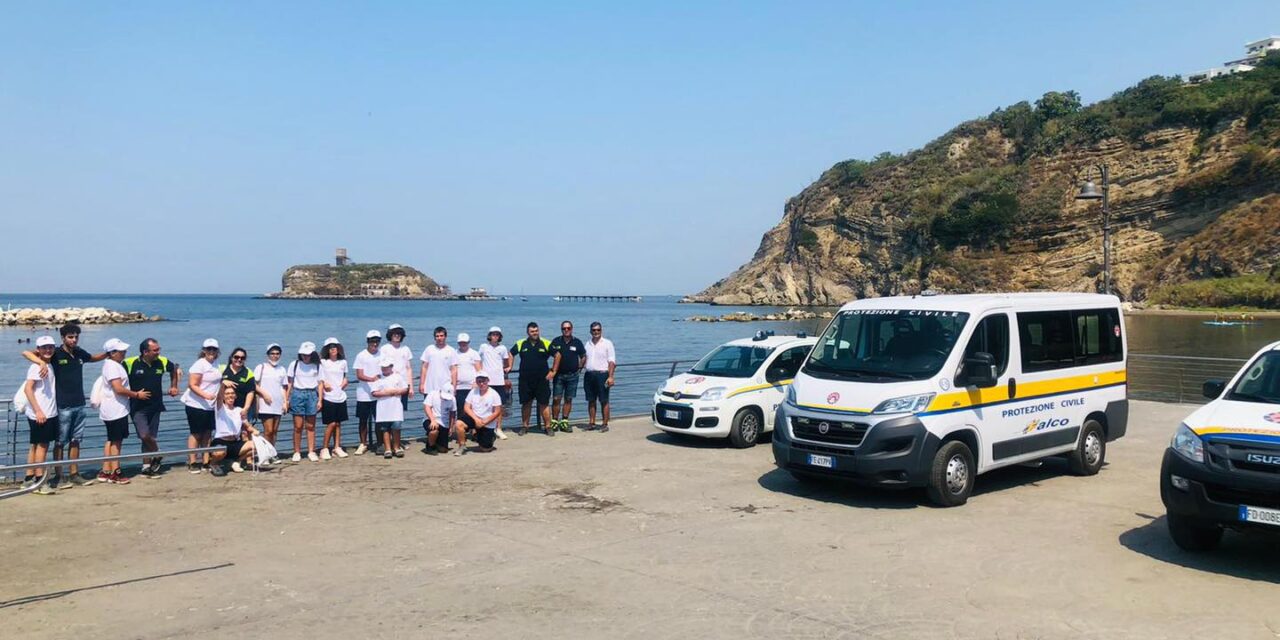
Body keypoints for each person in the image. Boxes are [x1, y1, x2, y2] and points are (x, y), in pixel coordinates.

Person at [20, 322, 106, 488]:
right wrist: (42, 363)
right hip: (62, 406)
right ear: (63, 338)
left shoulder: (79, 353)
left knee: (76, 440)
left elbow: (93, 358)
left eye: (76, 337)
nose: (73, 340)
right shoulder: (54, 353)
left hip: (80, 403)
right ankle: (58, 476)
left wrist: (108, 354)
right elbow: (26, 352)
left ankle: (74, 473)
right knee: (59, 442)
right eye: (70, 337)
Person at [124, 338, 181, 478]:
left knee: (150, 437)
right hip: (137, 407)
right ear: (145, 352)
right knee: (144, 435)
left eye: (158, 349)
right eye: (155, 350)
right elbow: (116, 378)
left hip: (155, 406)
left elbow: (174, 369)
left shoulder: (162, 361)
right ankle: (157, 453)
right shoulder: (130, 363)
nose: (158, 352)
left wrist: (174, 385)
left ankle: (146, 467)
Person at [97, 339, 148, 485]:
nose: (124, 353)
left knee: (111, 439)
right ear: (112, 353)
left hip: (113, 408)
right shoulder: (112, 366)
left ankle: (106, 470)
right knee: (116, 441)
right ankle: (115, 472)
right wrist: (136, 394)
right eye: (121, 351)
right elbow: (118, 389)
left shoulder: (111, 364)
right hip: (115, 409)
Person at [21, 336, 60, 494]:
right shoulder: (36, 367)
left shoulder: (47, 364)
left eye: (50, 347)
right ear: (38, 349)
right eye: (44, 348)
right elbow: (28, 389)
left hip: (47, 412)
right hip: (41, 413)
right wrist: (38, 410)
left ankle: (29, 478)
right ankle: (39, 481)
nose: (48, 350)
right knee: (42, 446)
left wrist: (42, 360)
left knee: (36, 446)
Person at [180, 339, 224, 473]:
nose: (211, 352)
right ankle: (193, 461)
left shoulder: (216, 364)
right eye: (208, 349)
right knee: (196, 433)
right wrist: (205, 395)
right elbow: (192, 385)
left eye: (214, 349)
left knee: (207, 434)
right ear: (203, 350)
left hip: (211, 406)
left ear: (217, 351)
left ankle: (206, 461)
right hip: (196, 404)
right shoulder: (199, 365)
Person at [419, 326, 458, 452]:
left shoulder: (451, 350)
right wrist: (421, 383)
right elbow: (424, 367)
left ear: (445, 336)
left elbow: (454, 369)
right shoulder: (429, 349)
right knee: (430, 412)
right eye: (437, 336)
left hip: (446, 388)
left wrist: (454, 386)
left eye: (441, 336)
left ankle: (441, 436)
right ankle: (431, 437)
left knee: (445, 413)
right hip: (430, 387)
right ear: (434, 337)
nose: (439, 338)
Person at [511, 322, 553, 436]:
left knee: (544, 404)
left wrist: (553, 371)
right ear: (528, 332)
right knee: (526, 404)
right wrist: (510, 366)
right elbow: (511, 353)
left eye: (536, 331)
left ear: (539, 331)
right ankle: (525, 426)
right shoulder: (521, 343)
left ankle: (548, 427)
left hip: (542, 380)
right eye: (532, 331)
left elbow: (558, 355)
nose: (535, 333)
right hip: (525, 380)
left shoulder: (546, 343)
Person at [208, 385, 260, 476]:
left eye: (232, 393)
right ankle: (213, 464)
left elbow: (247, 426)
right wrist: (222, 383)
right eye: (227, 394)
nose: (230, 395)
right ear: (223, 396)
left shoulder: (239, 410)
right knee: (220, 452)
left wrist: (255, 431)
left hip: (235, 442)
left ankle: (235, 462)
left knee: (257, 445)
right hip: (221, 441)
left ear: (235, 396)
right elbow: (219, 396)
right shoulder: (220, 408)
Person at [285, 341, 322, 462]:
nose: (305, 356)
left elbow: (320, 383)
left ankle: (311, 451)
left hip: (312, 394)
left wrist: (320, 400)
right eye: (303, 354)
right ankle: (297, 451)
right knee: (298, 426)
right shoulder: (294, 364)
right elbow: (289, 383)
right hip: (297, 393)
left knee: (311, 425)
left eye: (307, 354)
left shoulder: (317, 365)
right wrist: (286, 399)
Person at [549, 320, 586, 433]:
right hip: (559, 375)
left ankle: (564, 421)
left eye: (568, 328)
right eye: (564, 328)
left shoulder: (577, 342)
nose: (566, 330)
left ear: (572, 329)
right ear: (561, 330)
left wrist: (579, 368)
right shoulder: (556, 341)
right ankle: (554, 421)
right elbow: (549, 353)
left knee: (568, 399)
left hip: (573, 376)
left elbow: (583, 356)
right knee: (556, 399)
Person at [253, 344, 287, 464]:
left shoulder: (282, 369)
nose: (275, 356)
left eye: (277, 353)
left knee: (275, 431)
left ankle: (272, 453)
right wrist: (265, 394)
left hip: (278, 404)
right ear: (268, 354)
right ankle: (265, 455)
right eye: (272, 353)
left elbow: (283, 387)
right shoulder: (261, 367)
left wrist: (285, 402)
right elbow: (254, 384)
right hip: (264, 404)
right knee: (268, 431)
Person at [478, 326, 512, 440]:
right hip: (487, 381)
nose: (495, 336)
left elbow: (506, 362)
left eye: (497, 334)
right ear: (489, 335)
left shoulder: (502, 348)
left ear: (500, 336)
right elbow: (478, 360)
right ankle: (486, 428)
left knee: (499, 406)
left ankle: (498, 428)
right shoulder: (483, 347)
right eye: (493, 334)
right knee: (485, 405)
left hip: (499, 381)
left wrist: (507, 370)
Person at [582, 321, 617, 432]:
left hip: (603, 375)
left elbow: (612, 361)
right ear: (590, 331)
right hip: (589, 375)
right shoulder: (587, 344)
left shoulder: (607, 343)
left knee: (604, 400)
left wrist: (610, 376)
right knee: (591, 400)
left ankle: (604, 424)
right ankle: (591, 423)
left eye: (598, 330)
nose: (596, 332)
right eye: (594, 330)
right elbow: (583, 359)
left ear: (601, 331)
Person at [370, 357, 407, 460]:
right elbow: (374, 392)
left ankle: (396, 447)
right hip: (383, 406)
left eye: (386, 367)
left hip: (395, 405)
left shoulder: (398, 377)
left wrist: (396, 392)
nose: (384, 369)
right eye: (383, 367)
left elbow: (405, 389)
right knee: (385, 428)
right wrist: (384, 393)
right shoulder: (378, 378)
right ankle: (387, 448)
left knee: (396, 426)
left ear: (391, 367)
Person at [319, 337, 349, 459]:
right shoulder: (323, 362)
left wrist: (345, 381)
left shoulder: (343, 362)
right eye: (330, 347)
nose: (333, 349)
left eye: (335, 347)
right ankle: (324, 448)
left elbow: (345, 376)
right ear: (327, 349)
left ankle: (337, 447)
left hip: (340, 395)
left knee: (338, 423)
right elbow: (319, 377)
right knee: (330, 423)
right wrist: (324, 383)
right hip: (328, 396)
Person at [456, 372, 502, 454]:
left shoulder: (494, 394)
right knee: (459, 423)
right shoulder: (473, 391)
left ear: (488, 381)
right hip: (474, 418)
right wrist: (476, 419)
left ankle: (489, 436)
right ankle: (462, 445)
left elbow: (497, 411)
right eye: (479, 381)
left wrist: (485, 422)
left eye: (484, 381)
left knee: (485, 449)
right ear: (476, 382)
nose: (481, 383)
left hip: (487, 422)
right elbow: (466, 407)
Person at [353, 330, 382, 455]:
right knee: (363, 420)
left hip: (379, 393)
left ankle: (380, 443)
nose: (374, 344)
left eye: (377, 341)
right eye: (372, 341)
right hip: (363, 393)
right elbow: (359, 375)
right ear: (368, 341)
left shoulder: (383, 354)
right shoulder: (361, 355)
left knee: (379, 420)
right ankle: (363, 443)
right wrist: (372, 379)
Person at [379, 324, 415, 415]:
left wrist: (410, 387)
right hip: (388, 385)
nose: (397, 335)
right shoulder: (384, 349)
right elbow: (380, 367)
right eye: (394, 333)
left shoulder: (406, 349)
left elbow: (409, 369)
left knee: (400, 413)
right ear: (390, 335)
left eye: (399, 333)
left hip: (403, 385)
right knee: (387, 411)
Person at [222, 347, 257, 412]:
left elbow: (251, 392)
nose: (239, 359)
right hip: (223, 409)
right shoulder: (222, 369)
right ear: (232, 357)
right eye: (236, 357)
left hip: (240, 409)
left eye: (242, 358)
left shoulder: (248, 372)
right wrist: (223, 381)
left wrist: (246, 408)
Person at [454, 332, 483, 409]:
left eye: (465, 342)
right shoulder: (454, 353)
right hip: (458, 387)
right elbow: (452, 370)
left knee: (473, 409)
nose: (463, 344)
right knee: (460, 409)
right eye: (461, 342)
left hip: (472, 387)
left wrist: (476, 383)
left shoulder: (474, 353)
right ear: (458, 343)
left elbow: (479, 370)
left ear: (468, 342)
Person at [422, 388, 452, 455]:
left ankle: (435, 442)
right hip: (431, 419)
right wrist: (432, 420)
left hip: (444, 423)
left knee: (443, 450)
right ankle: (430, 447)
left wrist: (451, 426)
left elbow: (452, 413)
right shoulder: (432, 393)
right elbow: (426, 407)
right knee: (434, 431)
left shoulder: (452, 399)